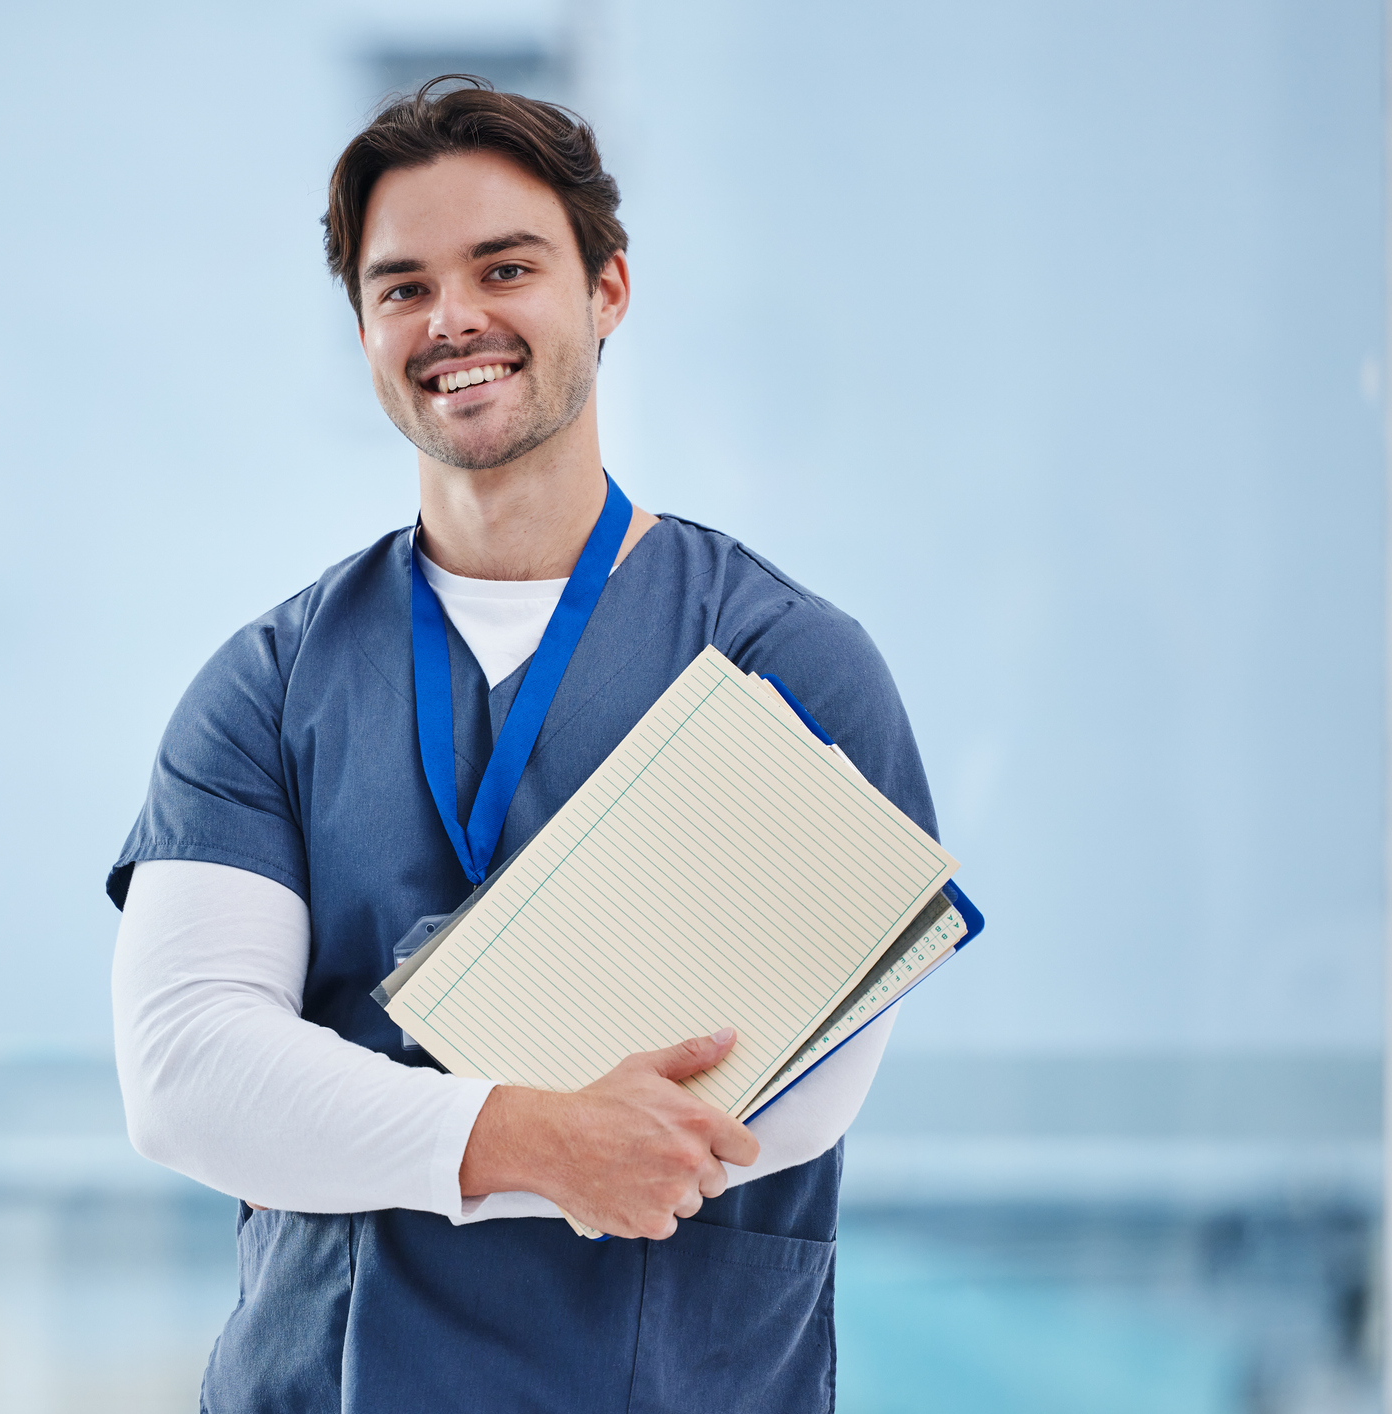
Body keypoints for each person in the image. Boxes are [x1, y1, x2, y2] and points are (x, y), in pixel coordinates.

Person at [109, 77, 938, 1412]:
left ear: (609, 290)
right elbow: (188, 1071)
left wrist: (348, 1126)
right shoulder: (267, 685)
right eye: (402, 286)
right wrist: (535, 1136)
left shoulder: (789, 665)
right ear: (366, 328)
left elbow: (786, 1097)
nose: (454, 320)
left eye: (506, 267)